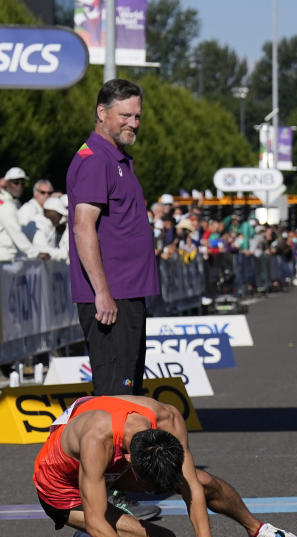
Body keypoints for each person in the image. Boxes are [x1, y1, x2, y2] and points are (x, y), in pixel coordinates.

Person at [33, 395, 297, 537]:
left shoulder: (167, 418)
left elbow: (192, 488)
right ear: (127, 461)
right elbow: (95, 520)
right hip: (62, 490)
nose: (152, 491)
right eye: (148, 485)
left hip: (109, 464)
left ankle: (257, 530)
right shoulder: (96, 440)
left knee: (202, 480)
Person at [68, 78, 159, 397]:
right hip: (112, 297)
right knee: (113, 396)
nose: (133, 123)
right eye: (125, 116)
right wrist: (102, 293)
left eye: (137, 116)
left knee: (127, 391)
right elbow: (82, 226)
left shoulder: (116, 159)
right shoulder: (96, 160)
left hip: (126, 292)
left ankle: (121, 449)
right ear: (102, 112)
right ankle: (104, 449)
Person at [0, 167, 44, 261]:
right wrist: (35, 253)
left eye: (23, 183)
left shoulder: (12, 203)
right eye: (16, 182)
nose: (20, 186)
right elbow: (15, 232)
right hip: (4, 258)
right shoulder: (6, 205)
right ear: (7, 183)